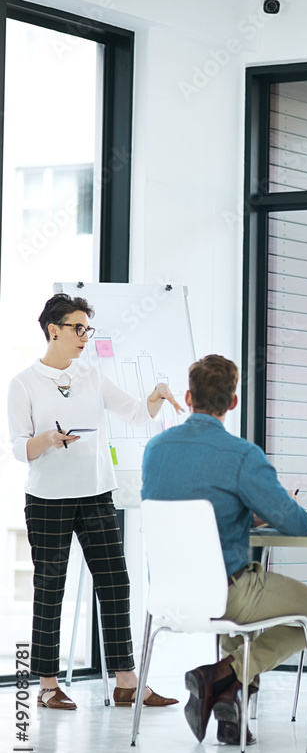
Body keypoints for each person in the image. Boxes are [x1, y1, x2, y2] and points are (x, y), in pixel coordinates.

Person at [141, 353, 307, 745]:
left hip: (167, 595)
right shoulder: (242, 455)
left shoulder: (154, 450)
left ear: (188, 398)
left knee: (239, 617)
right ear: (233, 403)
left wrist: (240, 516)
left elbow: (191, 513)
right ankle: (222, 673)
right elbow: (295, 523)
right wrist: (256, 512)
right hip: (227, 594)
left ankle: (231, 714)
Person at [8, 293, 180, 711]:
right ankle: (48, 683)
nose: (85, 336)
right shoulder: (23, 382)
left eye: (88, 329)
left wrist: (156, 396)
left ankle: (127, 681)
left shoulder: (92, 376)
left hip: (97, 493)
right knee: (50, 588)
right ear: (54, 330)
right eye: (77, 328)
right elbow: (17, 448)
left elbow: (136, 413)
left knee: (116, 583)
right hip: (48, 498)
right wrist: (47, 439)